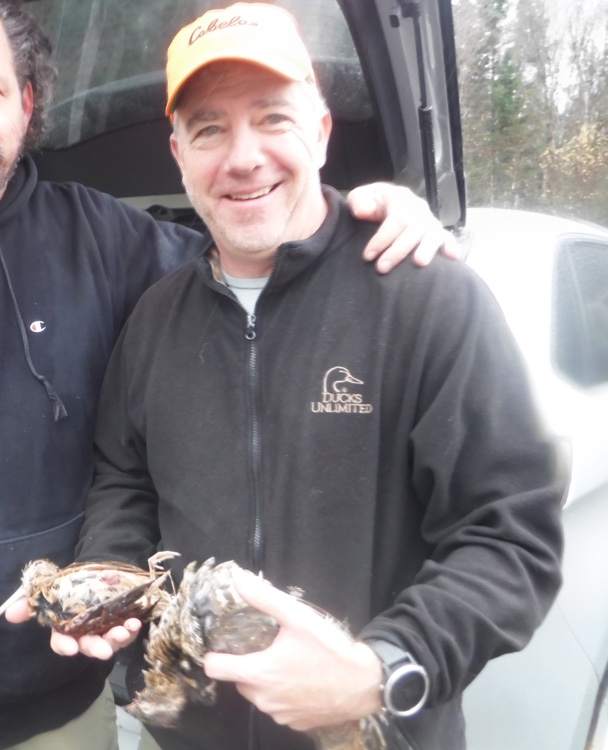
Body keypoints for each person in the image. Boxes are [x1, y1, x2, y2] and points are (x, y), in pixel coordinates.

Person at [0, 1, 456, 749]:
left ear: (28, 104)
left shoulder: (104, 237)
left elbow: (249, 250)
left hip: (70, 695)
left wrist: (356, 218)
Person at [48, 4, 566, 750]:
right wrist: (112, 589)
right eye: (210, 129)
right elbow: (124, 486)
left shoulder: (423, 296)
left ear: (321, 131)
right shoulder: (153, 322)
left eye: (272, 118)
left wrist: (379, 668)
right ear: (180, 154)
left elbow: (510, 536)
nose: (243, 156)